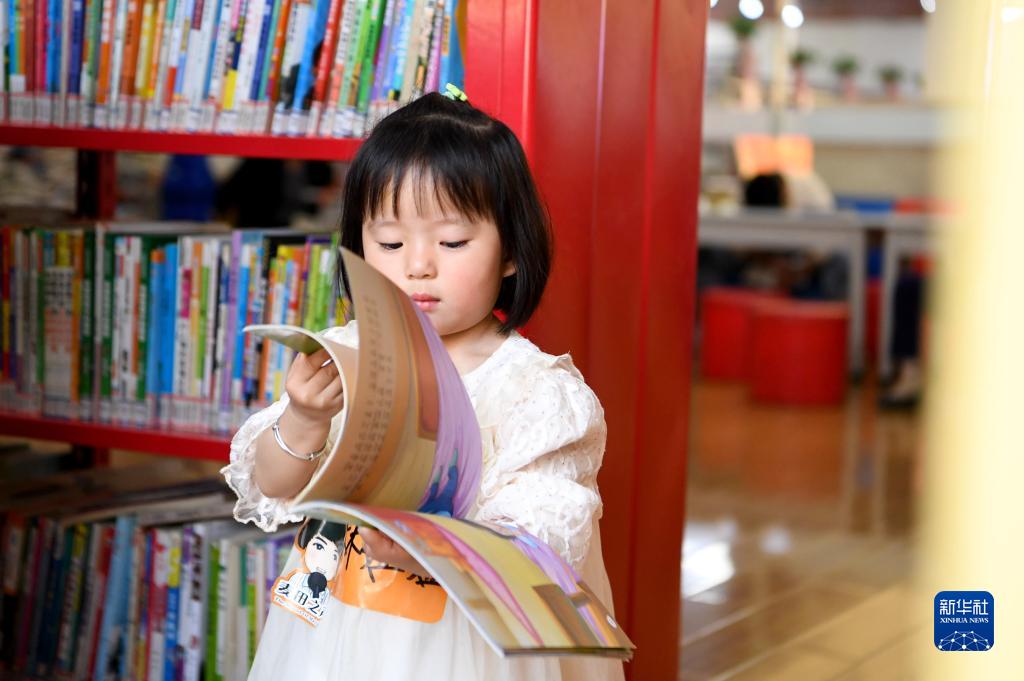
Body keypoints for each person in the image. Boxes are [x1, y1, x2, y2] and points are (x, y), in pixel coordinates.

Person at [222, 91, 622, 681]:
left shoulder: (537, 393)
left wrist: (433, 548)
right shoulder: (344, 355)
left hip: (459, 645)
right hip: (335, 630)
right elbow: (271, 485)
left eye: (452, 242)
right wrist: (305, 419)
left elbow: (546, 535)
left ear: (511, 251)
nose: (418, 266)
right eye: (389, 243)